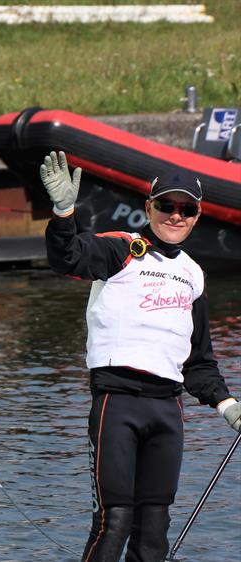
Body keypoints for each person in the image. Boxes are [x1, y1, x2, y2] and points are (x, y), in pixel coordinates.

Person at [40, 151, 241, 562]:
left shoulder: (194, 275)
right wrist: (64, 212)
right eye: (166, 205)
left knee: (153, 532)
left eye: (186, 209)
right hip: (118, 404)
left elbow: (198, 361)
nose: (175, 216)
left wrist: (228, 406)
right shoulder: (121, 250)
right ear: (149, 208)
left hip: (167, 411)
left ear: (197, 217)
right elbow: (67, 258)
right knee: (113, 521)